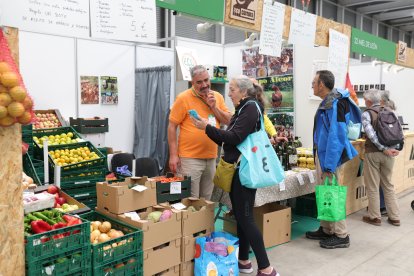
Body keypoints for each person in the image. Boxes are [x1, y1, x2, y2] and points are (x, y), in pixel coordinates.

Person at [192, 76, 278, 276]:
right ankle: (244, 261)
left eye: (231, 89)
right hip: (238, 170)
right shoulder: (244, 108)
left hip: (243, 170)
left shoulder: (250, 108)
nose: (228, 93)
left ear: (243, 91)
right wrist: (207, 128)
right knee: (240, 217)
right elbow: (229, 139)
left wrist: (207, 128)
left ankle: (266, 268)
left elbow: (234, 138)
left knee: (246, 217)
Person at [306, 70, 360, 249]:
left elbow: (336, 136)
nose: (312, 85)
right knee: (324, 193)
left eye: (314, 82)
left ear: (322, 84)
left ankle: (341, 235)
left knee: (333, 194)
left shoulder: (334, 103)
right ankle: (327, 228)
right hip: (323, 155)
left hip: (331, 158)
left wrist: (329, 164)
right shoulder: (328, 102)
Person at [168, 65, 232, 200]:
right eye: (199, 82)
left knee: (206, 199)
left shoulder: (217, 97)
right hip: (189, 158)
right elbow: (172, 126)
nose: (204, 85)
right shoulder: (183, 98)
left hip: (211, 157)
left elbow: (228, 121)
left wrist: (214, 107)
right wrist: (173, 155)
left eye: (206, 80)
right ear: (192, 82)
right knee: (189, 199)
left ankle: (203, 222)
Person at [362, 89, 401, 227]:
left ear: (369, 101)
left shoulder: (367, 113)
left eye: (365, 99)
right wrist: (394, 148)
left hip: (373, 153)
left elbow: (371, 135)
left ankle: (374, 216)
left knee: (372, 186)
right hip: (390, 153)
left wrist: (382, 148)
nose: (364, 102)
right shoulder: (391, 111)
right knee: (388, 185)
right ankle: (395, 217)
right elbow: (397, 131)